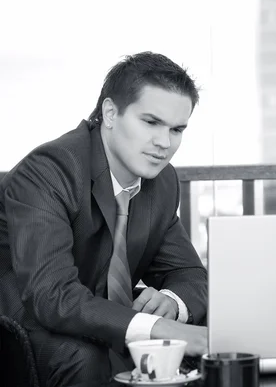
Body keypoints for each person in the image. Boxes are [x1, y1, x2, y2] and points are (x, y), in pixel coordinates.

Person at [0, 51, 208, 387]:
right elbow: (51, 295)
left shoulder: (162, 181)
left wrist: (172, 304)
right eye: (151, 122)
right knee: (85, 356)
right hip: (24, 325)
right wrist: (160, 327)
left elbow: (188, 272)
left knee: (207, 335)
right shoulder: (50, 170)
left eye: (177, 129)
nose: (164, 143)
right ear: (110, 113)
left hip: (99, 317)